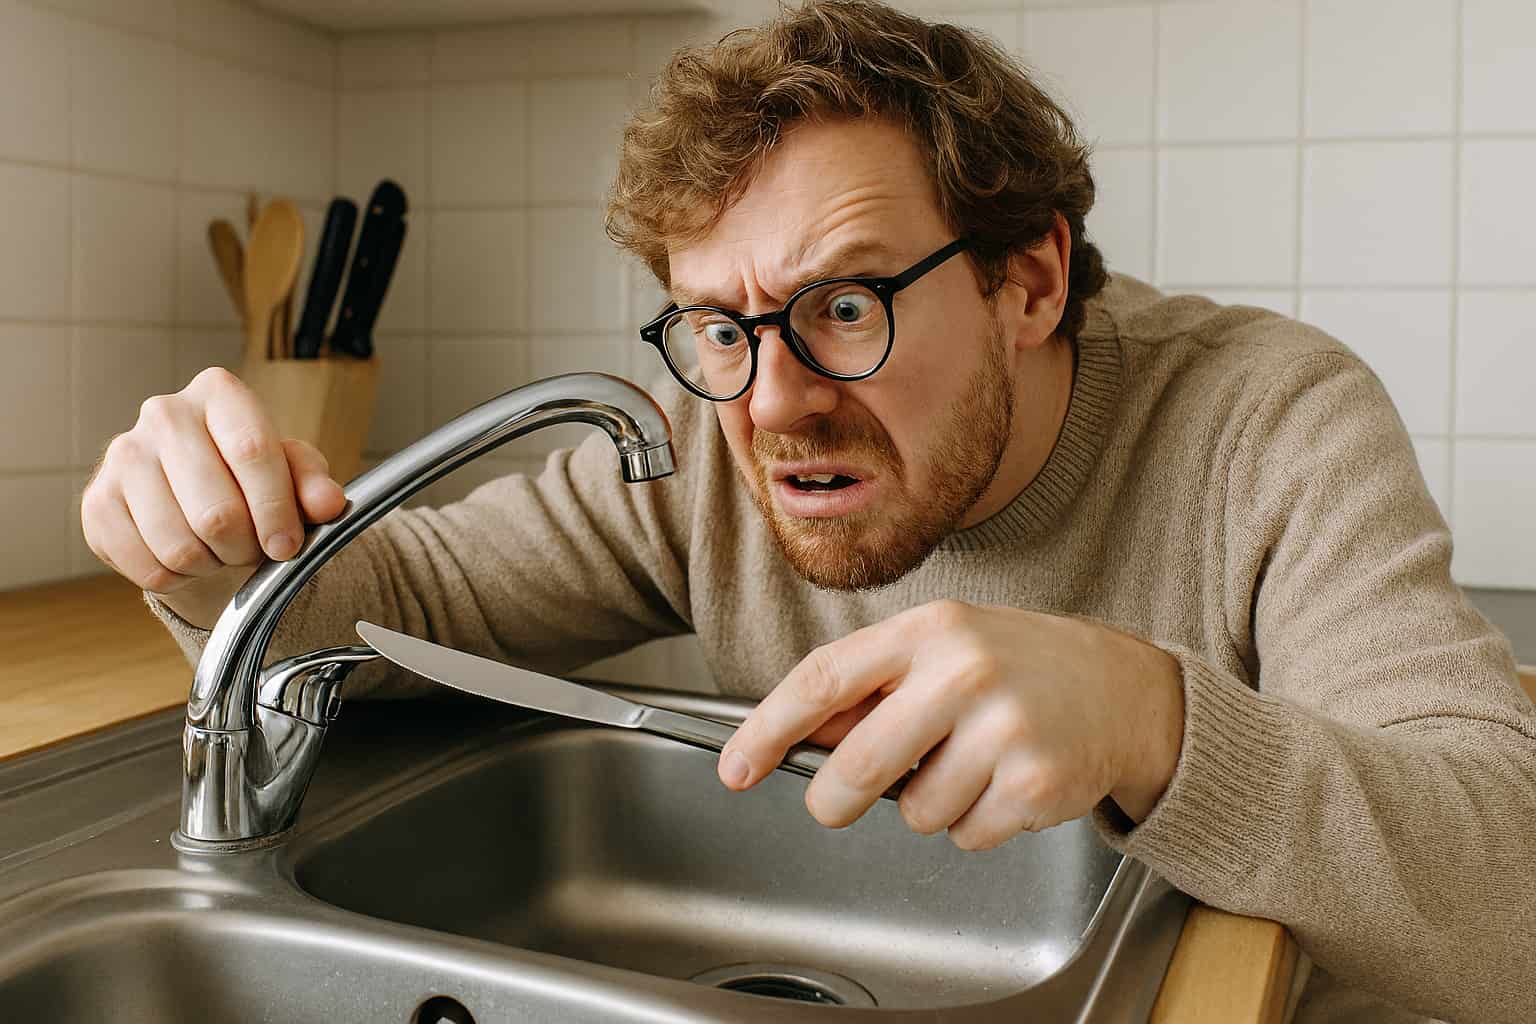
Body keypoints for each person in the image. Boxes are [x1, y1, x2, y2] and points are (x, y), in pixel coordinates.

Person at [81, 2, 1534, 1020]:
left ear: (1026, 281)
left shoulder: (1265, 422)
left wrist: (1153, 716)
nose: (770, 403)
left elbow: (1512, 900)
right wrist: (213, 549)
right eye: (716, 323)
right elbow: (401, 618)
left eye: (844, 306)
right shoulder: (711, 439)